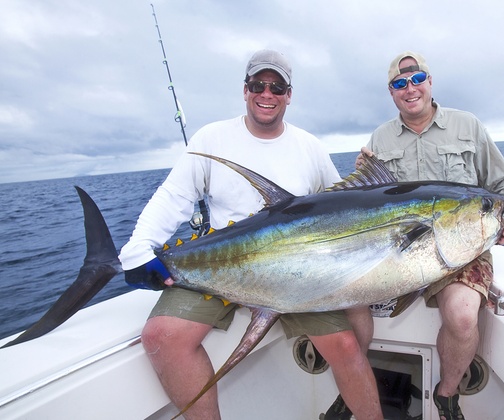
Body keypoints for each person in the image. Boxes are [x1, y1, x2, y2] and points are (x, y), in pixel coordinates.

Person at [119, 49, 383, 420]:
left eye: (277, 87)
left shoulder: (310, 147)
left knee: (345, 344)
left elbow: (341, 211)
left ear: (289, 95)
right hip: (223, 265)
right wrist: (138, 248)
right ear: (245, 90)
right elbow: (174, 196)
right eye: (258, 85)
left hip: (298, 272)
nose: (267, 94)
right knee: (162, 335)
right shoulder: (212, 138)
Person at [356, 51, 504, 420]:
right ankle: (353, 389)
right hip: (396, 254)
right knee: (346, 305)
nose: (410, 88)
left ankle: (446, 396)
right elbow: (371, 203)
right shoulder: (381, 137)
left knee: (463, 315)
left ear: (430, 82)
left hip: (461, 250)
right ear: (391, 92)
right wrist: (362, 176)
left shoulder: (467, 125)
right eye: (400, 83)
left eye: (417, 79)